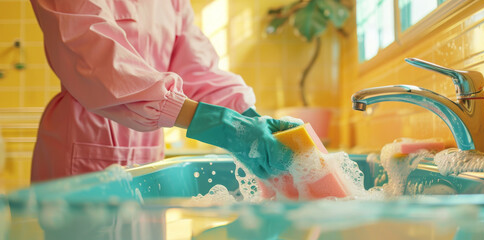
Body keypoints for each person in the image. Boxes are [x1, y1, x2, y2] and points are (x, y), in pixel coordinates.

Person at [29, 0, 300, 182]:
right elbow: (96, 60)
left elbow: (197, 68)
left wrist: (248, 118)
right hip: (82, 149)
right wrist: (219, 124)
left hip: (148, 153)